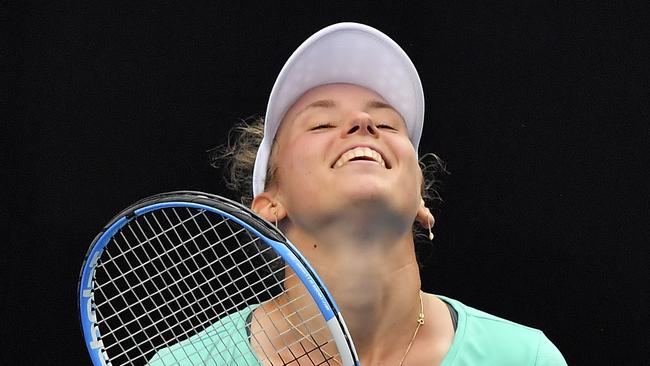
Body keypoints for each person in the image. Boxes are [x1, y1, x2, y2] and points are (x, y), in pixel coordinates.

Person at [150, 22, 567, 365]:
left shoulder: (525, 358)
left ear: (422, 200)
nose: (363, 121)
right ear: (269, 205)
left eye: (387, 124)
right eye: (321, 124)